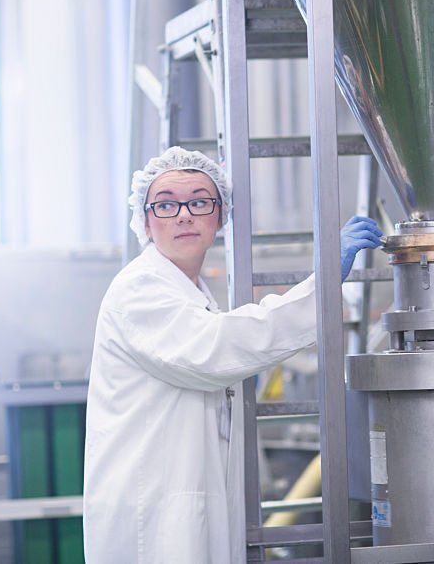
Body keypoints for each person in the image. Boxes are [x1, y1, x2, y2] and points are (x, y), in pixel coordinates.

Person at [82, 146, 383, 563]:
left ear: (221, 216)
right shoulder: (139, 289)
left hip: (186, 507)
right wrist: (322, 281)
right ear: (145, 221)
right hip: (154, 518)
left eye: (199, 201)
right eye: (166, 204)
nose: (184, 214)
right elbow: (216, 349)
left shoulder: (189, 294)